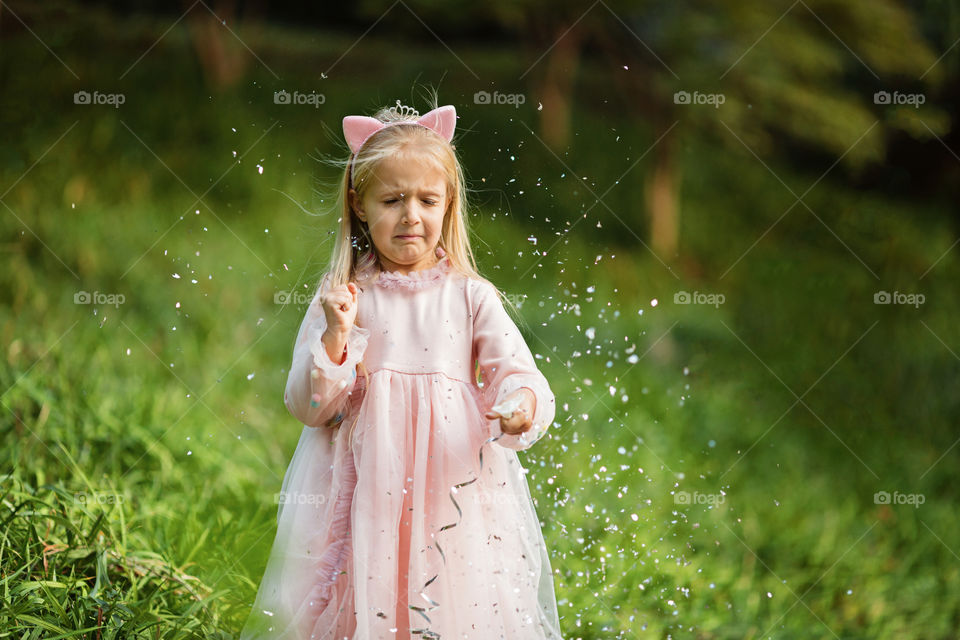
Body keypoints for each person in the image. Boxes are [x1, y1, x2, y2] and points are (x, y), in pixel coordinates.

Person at [239, 101, 563, 639]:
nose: (411, 215)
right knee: (352, 600)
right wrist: (338, 338)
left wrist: (519, 406)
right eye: (391, 200)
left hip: (448, 490)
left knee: (449, 604)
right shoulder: (344, 297)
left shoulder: (470, 297)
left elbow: (519, 374)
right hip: (361, 491)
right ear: (359, 205)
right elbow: (310, 408)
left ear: (448, 205)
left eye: (427, 200)